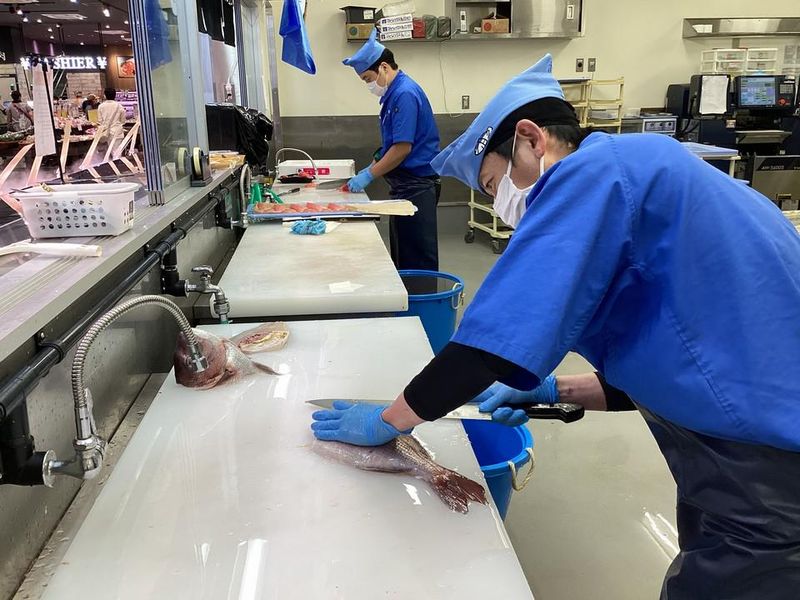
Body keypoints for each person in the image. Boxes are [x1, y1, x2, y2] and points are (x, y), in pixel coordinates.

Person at [310, 54, 800, 599]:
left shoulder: (596, 172)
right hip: (749, 444)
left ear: (531, 139)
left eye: (494, 185)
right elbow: (687, 358)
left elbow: (489, 344)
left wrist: (390, 420)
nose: (503, 208)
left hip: (766, 467)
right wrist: (555, 389)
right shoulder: (641, 174)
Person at [342, 28, 441, 271]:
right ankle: (407, 294)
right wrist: (371, 166)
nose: (369, 85)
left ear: (384, 67)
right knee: (403, 254)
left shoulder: (404, 93)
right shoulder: (392, 95)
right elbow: (390, 146)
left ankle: (421, 296)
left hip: (417, 186)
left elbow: (402, 149)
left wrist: (369, 175)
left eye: (368, 78)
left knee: (416, 259)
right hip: (404, 185)